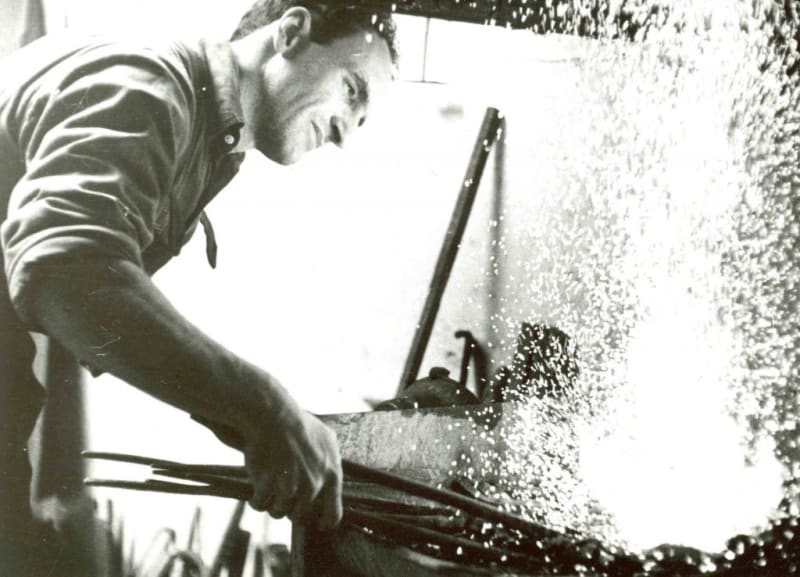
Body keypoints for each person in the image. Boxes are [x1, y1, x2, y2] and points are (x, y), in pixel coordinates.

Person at [0, 0, 397, 571]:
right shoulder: (155, 83)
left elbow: (94, 289)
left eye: (361, 121)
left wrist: (234, 414)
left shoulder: (207, 128)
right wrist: (262, 407)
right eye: (351, 90)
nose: (344, 132)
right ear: (291, 32)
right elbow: (66, 271)